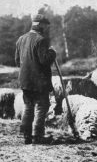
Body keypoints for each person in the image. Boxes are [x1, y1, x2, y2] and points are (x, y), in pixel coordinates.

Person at [15, 14, 56, 144]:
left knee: (28, 106)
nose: (46, 27)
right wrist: (52, 53)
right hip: (39, 82)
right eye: (44, 24)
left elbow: (17, 61)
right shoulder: (41, 40)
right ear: (39, 24)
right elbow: (44, 61)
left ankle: (26, 136)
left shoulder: (21, 39)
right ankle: (37, 136)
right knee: (41, 106)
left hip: (25, 82)